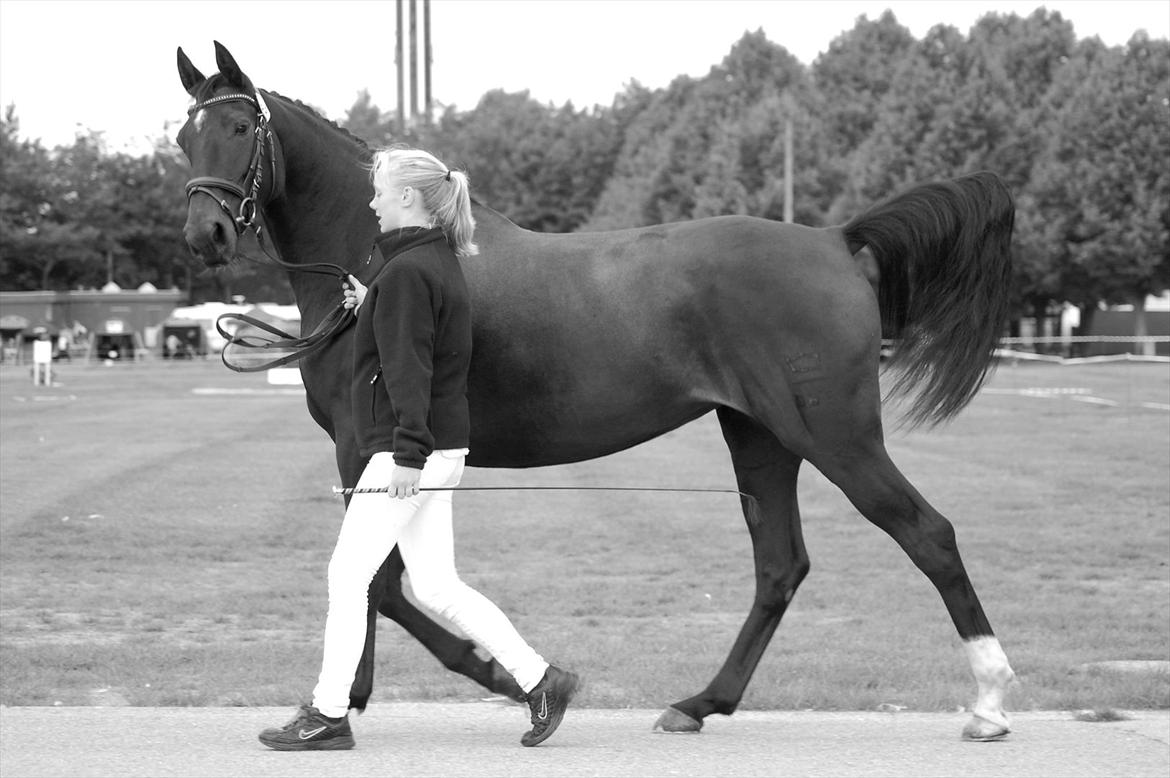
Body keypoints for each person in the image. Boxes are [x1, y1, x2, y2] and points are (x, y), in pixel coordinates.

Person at [259, 147, 579, 752]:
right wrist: (372, 301)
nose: (374, 203)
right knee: (435, 586)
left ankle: (327, 714)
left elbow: (411, 368)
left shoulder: (407, 273)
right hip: (437, 448)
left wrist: (406, 456)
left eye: (380, 192)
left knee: (348, 575)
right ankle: (541, 680)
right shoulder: (424, 264)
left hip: (409, 451)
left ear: (408, 198)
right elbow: (414, 327)